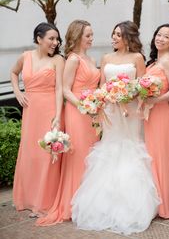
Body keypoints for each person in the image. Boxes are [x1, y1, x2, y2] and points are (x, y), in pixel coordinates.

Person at [71, 21, 160, 235]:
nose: (113, 38)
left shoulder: (137, 58)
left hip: (129, 112)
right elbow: (101, 86)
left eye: (118, 35)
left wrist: (129, 93)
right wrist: (106, 96)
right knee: (109, 148)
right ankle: (103, 203)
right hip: (110, 112)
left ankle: (133, 202)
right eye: (113, 34)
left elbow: (143, 86)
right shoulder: (106, 58)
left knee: (130, 147)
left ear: (128, 37)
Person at [37, 19, 100, 226]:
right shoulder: (73, 59)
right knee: (79, 156)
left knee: (92, 157)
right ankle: (73, 204)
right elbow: (65, 89)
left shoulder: (90, 58)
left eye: (91, 35)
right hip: (77, 112)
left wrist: (96, 104)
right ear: (77, 36)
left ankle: (90, 203)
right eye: (88, 35)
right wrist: (84, 106)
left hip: (92, 113)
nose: (91, 38)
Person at [11, 22, 64, 217]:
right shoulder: (25, 56)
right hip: (30, 110)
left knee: (47, 155)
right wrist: (17, 92)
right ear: (39, 38)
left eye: (57, 39)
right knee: (30, 153)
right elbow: (13, 73)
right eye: (51, 38)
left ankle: (44, 202)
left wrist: (58, 115)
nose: (55, 42)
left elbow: (59, 88)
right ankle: (30, 199)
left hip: (50, 109)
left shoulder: (58, 60)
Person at [144, 24, 169, 219]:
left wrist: (155, 100)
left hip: (161, 115)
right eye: (158, 34)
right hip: (148, 115)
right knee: (150, 157)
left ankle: (164, 203)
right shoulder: (153, 61)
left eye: (166, 37)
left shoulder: (168, 61)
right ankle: (152, 201)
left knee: (159, 158)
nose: (160, 38)